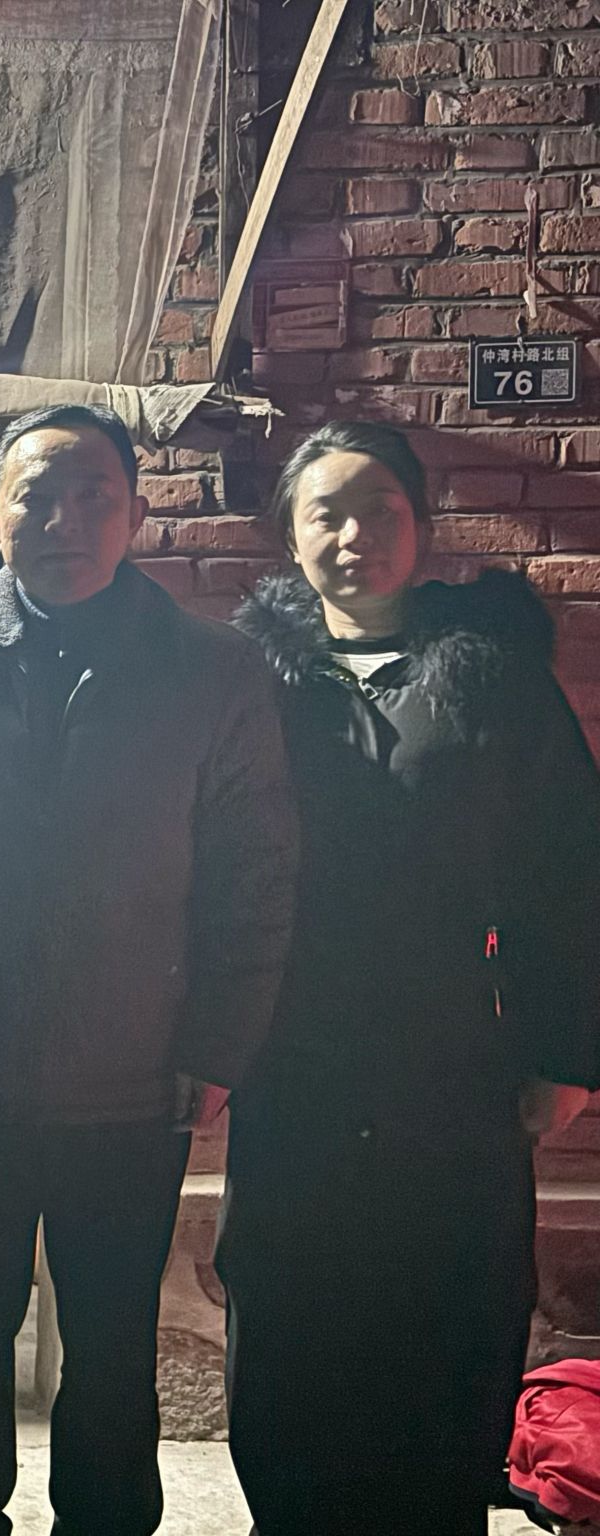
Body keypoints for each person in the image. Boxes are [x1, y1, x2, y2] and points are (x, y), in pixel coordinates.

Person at [0, 404, 299, 1536]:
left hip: (134, 1078)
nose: (64, 520)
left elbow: (254, 878)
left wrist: (217, 1046)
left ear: (136, 514)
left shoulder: (213, 670)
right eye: (37, 498)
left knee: (110, 1346)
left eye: (92, 496)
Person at [221, 421, 600, 1535]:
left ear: (421, 528)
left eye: (380, 510)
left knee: (451, 1307)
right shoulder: (245, 684)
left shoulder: (495, 681)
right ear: (290, 537)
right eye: (327, 514)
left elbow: (566, 870)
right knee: (290, 1304)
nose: (356, 536)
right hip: (291, 1053)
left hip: (449, 1053)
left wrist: (564, 1052)